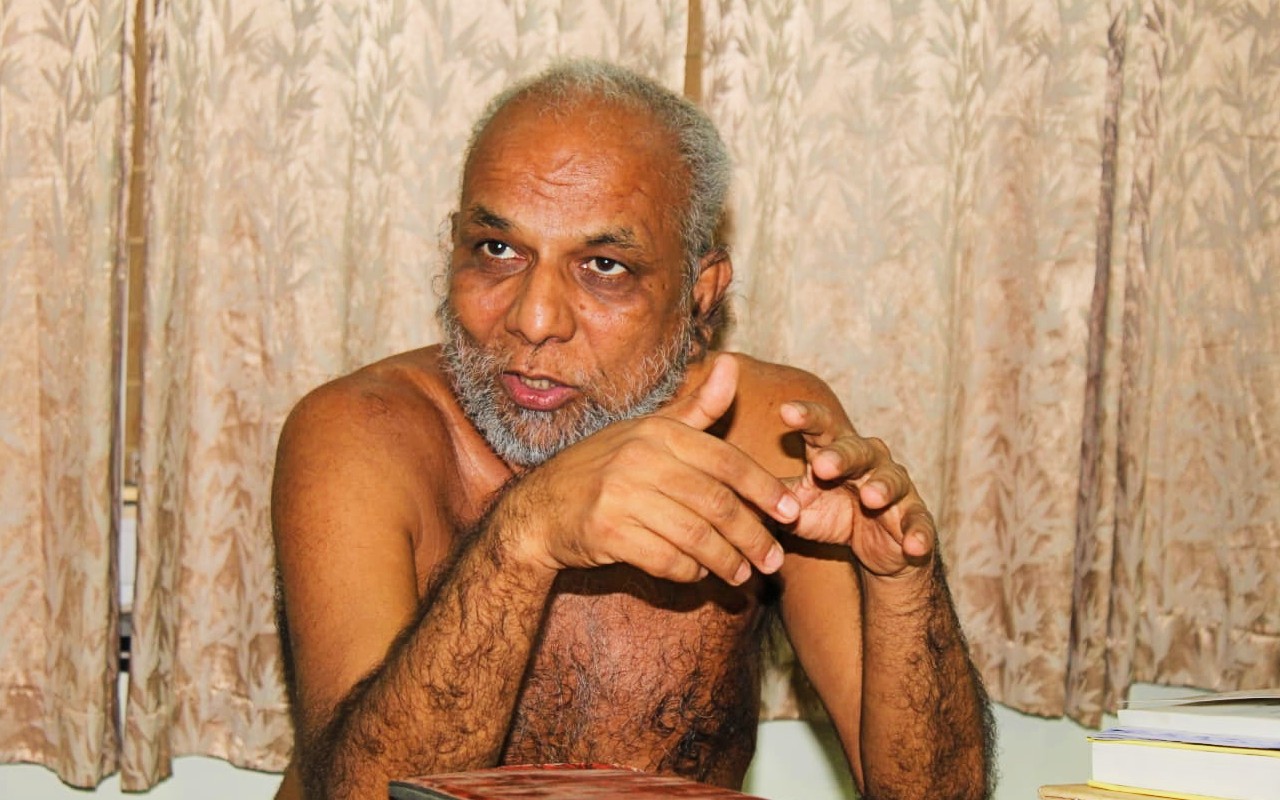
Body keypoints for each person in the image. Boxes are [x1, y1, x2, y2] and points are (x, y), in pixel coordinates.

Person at [271, 59, 994, 800]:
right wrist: (522, 536)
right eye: (497, 250)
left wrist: (902, 583)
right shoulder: (362, 435)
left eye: (604, 266)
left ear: (700, 294)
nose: (534, 319)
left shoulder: (771, 434)